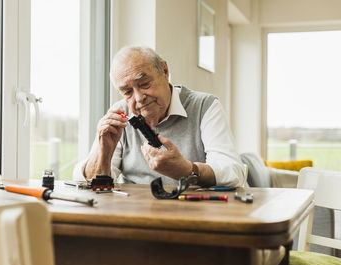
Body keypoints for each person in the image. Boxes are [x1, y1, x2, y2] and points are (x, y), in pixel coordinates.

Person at [73, 46, 244, 187]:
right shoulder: (120, 114)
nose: (139, 98)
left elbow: (234, 173)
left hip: (195, 212)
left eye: (145, 84)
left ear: (165, 70)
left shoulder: (205, 106)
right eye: (127, 92)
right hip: (137, 216)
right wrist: (104, 151)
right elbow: (86, 183)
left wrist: (187, 170)